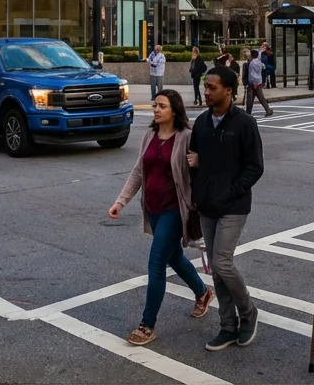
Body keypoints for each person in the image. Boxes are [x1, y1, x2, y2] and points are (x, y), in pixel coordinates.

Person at [108, 89, 214, 346]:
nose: (156, 110)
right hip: (152, 208)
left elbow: (210, 166)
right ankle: (202, 292)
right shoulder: (150, 135)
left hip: (175, 210)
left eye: (162, 106)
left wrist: (200, 161)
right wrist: (120, 201)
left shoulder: (187, 137)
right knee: (173, 257)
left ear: (174, 111)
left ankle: (147, 324)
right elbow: (138, 172)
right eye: (155, 105)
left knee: (156, 264)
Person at [186, 66, 263, 352]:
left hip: (233, 205)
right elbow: (193, 159)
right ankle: (227, 326)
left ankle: (248, 312)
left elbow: (255, 167)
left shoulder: (244, 123)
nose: (206, 91)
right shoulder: (203, 123)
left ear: (228, 91)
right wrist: (198, 194)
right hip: (207, 205)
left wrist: (230, 192)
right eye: (205, 86)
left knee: (222, 263)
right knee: (217, 272)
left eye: (212, 87)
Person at [244, 49, 274, 117]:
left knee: (250, 99)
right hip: (258, 82)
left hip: (253, 83)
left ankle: (248, 113)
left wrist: (254, 83)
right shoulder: (259, 61)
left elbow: (253, 74)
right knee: (260, 98)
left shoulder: (252, 63)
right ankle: (268, 110)